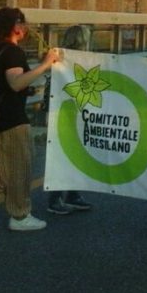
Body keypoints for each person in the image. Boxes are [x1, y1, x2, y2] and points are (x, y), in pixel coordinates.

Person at [0, 7, 61, 244]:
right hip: (9, 122)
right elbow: (16, 83)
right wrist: (46, 64)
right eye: (22, 22)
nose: (26, 26)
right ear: (14, 27)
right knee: (18, 170)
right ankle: (20, 216)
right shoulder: (12, 52)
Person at [47, 25, 94, 216]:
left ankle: (72, 194)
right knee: (61, 154)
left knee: (77, 154)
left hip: (76, 112)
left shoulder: (77, 59)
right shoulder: (63, 60)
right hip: (63, 113)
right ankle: (55, 198)